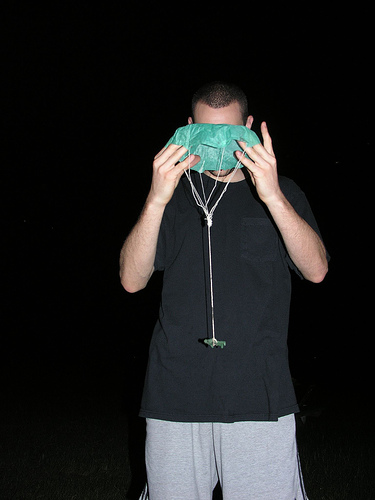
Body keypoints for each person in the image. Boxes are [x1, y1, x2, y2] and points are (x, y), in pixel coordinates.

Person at [119, 81, 328, 500]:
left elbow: (317, 269)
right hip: (174, 397)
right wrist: (156, 199)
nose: (218, 147)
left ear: (249, 128)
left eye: (230, 134)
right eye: (206, 133)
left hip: (260, 398)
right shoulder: (171, 194)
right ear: (189, 128)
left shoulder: (283, 191)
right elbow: (131, 280)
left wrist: (272, 197)